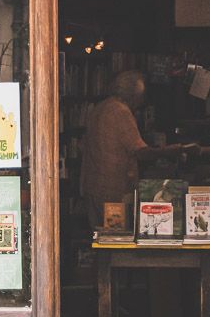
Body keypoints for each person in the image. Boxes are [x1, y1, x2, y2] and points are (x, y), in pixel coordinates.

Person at [80, 70, 196, 229]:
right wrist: (174, 150)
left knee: (99, 239)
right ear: (133, 95)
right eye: (141, 97)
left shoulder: (99, 108)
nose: (141, 102)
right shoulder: (121, 111)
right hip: (115, 191)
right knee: (116, 238)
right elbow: (141, 152)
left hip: (92, 187)